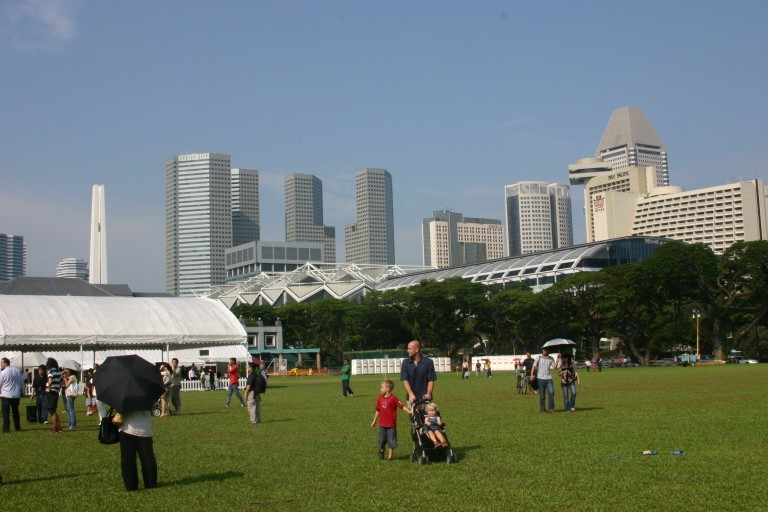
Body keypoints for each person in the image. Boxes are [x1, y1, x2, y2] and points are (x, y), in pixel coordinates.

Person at [370, 379, 411, 461]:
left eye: (382, 387)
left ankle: (390, 456)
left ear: (387, 389)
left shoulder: (394, 398)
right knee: (381, 440)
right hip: (382, 424)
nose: (381, 389)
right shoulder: (380, 398)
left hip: (391, 425)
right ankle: (382, 449)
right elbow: (377, 410)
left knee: (391, 440)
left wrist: (409, 411)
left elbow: (401, 406)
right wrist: (374, 421)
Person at [118, 408, 158, 491]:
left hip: (128, 428)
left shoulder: (125, 399)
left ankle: (131, 485)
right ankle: (151, 483)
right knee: (148, 458)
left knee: (128, 459)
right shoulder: (148, 399)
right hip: (145, 428)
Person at [0, 357, 25, 432]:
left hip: (6, 395)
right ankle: (17, 427)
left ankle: (6, 428)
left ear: (5, 363)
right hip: (16, 395)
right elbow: (21, 382)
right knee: (15, 411)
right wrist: (21, 390)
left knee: (6, 413)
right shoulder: (17, 371)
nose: (1, 364)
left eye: (1, 363)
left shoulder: (3, 372)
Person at [531, 348, 556, 413]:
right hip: (540, 378)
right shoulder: (538, 357)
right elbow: (533, 366)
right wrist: (531, 375)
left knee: (551, 393)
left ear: (548, 351)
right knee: (542, 395)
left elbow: (554, 367)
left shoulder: (551, 358)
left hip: (549, 378)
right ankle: (542, 409)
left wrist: (558, 359)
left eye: (545, 349)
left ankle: (551, 408)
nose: (544, 351)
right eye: (543, 349)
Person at [45, 358, 63, 433]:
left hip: (51, 392)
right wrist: (58, 387)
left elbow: (50, 382)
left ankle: (55, 428)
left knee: (52, 411)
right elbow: (61, 382)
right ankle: (59, 427)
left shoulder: (50, 371)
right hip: (56, 392)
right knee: (54, 410)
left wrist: (49, 389)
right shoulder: (58, 372)